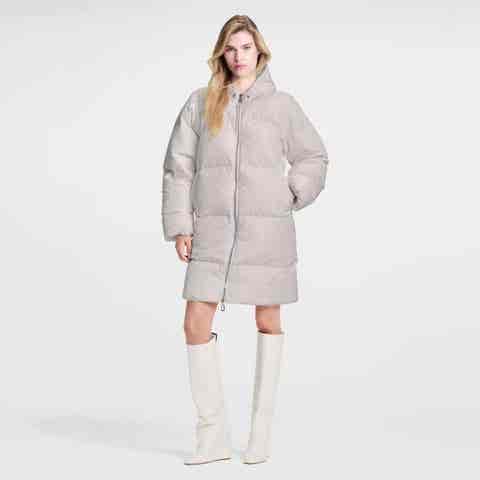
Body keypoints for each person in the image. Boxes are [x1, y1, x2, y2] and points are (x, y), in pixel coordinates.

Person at [161, 15, 329, 465]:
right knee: (195, 322)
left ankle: (260, 436)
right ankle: (212, 437)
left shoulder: (282, 106)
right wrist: (181, 226)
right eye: (231, 49)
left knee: (267, 320)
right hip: (212, 233)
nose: (239, 56)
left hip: (266, 233)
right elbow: (178, 167)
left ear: (260, 52)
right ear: (222, 53)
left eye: (246, 48)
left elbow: (313, 156)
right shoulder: (200, 103)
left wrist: (290, 193)